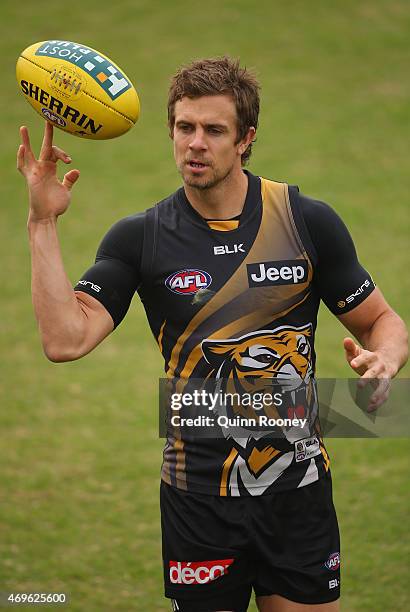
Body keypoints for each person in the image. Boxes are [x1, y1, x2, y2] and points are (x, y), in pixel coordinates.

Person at [18, 57, 407, 612]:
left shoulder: (305, 221)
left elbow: (380, 320)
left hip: (299, 493)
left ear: (245, 139)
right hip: (197, 498)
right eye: (184, 128)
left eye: (213, 130)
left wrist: (387, 358)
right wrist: (43, 222)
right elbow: (64, 341)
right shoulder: (141, 238)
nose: (195, 144)